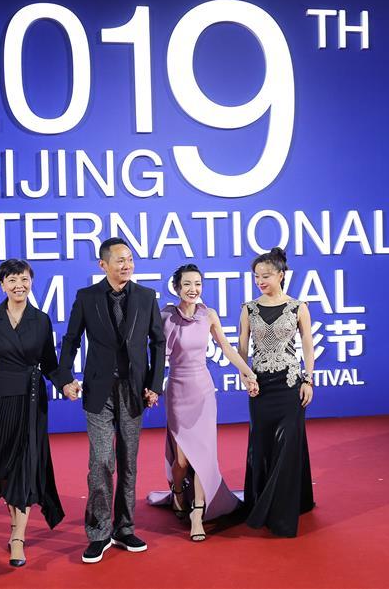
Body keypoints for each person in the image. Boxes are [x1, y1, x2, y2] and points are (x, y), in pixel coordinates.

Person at [55, 238, 166, 564]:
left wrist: (154, 385)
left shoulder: (146, 296)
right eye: (119, 260)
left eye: (129, 259)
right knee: (101, 461)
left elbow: (158, 342)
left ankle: (124, 528)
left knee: (128, 462)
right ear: (103, 265)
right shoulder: (86, 297)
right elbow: (71, 340)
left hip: (134, 390)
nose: (126, 265)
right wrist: (64, 378)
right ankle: (99, 532)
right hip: (98, 391)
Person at [0, 259, 64, 567]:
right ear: (2, 285)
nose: (19, 285)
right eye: (12, 280)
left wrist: (66, 383)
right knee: (4, 470)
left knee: (25, 465)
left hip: (31, 402)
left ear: (31, 282)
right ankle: (13, 527)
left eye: (24, 279)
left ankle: (18, 537)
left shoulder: (41, 320)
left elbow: (50, 363)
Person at [147, 264, 258, 541]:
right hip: (177, 390)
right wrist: (150, 387)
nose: (193, 289)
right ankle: (177, 492)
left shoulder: (208, 315)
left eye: (197, 283)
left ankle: (197, 513)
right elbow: (156, 354)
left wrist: (247, 371)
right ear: (176, 287)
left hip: (203, 391)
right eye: (187, 284)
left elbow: (226, 347)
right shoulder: (166, 315)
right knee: (182, 459)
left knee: (203, 456)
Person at [238, 247, 316, 537]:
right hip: (261, 387)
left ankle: (281, 511)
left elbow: (307, 343)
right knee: (261, 445)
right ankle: (260, 500)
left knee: (287, 446)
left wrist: (308, 379)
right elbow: (242, 347)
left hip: (290, 384)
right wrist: (245, 376)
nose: (260, 281)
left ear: (281, 275)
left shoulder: (298, 307)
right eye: (256, 276)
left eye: (266, 276)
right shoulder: (249, 308)